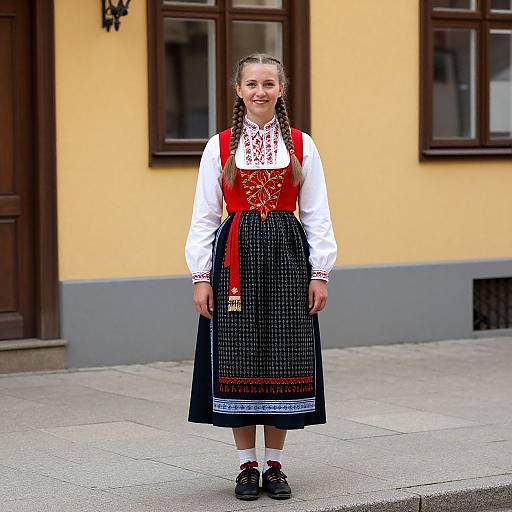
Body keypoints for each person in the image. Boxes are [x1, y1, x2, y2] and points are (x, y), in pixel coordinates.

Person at [185, 53, 337, 501]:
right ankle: (246, 465)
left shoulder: (301, 144)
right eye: (251, 84)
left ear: (281, 89)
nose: (260, 92)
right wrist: (200, 276)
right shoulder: (221, 145)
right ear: (238, 90)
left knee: (283, 358)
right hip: (234, 263)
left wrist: (320, 272)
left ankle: (274, 465)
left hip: (289, 260)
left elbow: (317, 214)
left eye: (268, 83)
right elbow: (204, 216)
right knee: (238, 357)